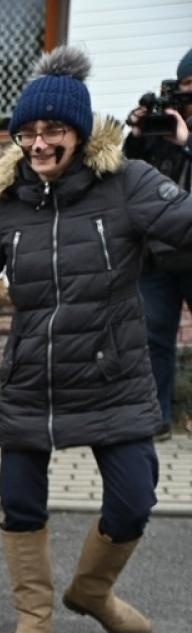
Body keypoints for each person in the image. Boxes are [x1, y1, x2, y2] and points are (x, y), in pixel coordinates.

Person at [0, 47, 192, 633]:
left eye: (53, 130)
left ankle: (92, 590)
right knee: (20, 500)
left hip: (114, 373)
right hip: (33, 374)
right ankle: (34, 620)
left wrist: (185, 153)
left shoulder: (128, 184)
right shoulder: (8, 206)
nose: (38, 144)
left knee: (134, 498)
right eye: (28, 132)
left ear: (79, 134)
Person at [125, 46, 192, 439]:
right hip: (157, 255)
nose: (188, 94)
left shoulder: (181, 134)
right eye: (185, 85)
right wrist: (137, 136)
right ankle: (157, 419)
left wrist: (187, 141)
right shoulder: (160, 124)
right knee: (153, 337)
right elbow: (127, 172)